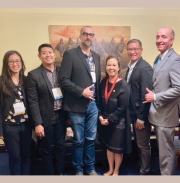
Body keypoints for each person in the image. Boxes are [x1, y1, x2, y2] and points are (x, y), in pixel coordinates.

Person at [144, 27, 180, 175]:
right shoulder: (159, 58)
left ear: (172, 40)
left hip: (166, 115)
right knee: (162, 151)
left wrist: (155, 97)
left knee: (166, 153)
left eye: (164, 37)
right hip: (157, 113)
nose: (159, 40)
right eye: (157, 37)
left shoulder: (176, 60)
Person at [58, 26, 101, 176]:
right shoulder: (70, 54)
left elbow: (97, 82)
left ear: (93, 37)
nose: (88, 37)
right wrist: (81, 91)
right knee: (78, 140)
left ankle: (90, 168)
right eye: (85, 34)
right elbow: (63, 79)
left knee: (91, 139)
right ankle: (78, 170)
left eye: (91, 34)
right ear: (80, 36)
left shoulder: (96, 56)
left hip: (93, 105)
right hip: (76, 105)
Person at [26, 43, 67, 175]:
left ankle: (60, 173)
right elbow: (32, 101)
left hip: (61, 115)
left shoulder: (62, 71)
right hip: (45, 118)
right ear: (39, 56)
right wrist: (38, 123)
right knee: (46, 148)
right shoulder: (33, 75)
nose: (48, 55)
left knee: (61, 147)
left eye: (50, 52)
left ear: (54, 54)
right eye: (44, 53)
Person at [0, 50, 32, 175]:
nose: (15, 64)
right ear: (6, 64)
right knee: (15, 157)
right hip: (9, 126)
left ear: (21, 62)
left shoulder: (27, 80)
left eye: (17, 61)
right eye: (11, 61)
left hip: (26, 125)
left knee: (26, 155)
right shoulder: (0, 82)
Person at [98, 56, 132, 176]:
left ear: (118, 68)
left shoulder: (123, 84)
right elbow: (100, 102)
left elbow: (122, 107)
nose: (111, 68)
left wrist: (110, 120)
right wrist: (101, 116)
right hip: (105, 120)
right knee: (109, 147)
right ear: (105, 67)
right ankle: (110, 169)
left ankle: (116, 171)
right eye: (109, 65)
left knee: (117, 149)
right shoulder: (103, 82)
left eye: (114, 65)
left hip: (118, 121)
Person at [124, 39, 153, 175]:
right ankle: (140, 165)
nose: (133, 51)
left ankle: (145, 171)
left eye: (136, 49)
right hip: (133, 112)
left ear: (141, 50)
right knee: (138, 142)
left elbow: (145, 96)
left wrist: (141, 118)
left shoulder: (145, 67)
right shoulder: (131, 66)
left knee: (143, 144)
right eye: (130, 49)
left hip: (141, 114)